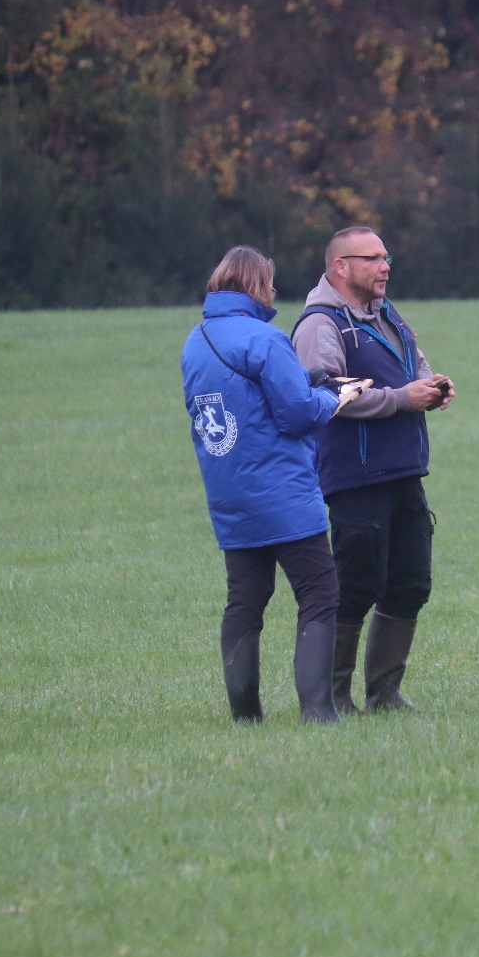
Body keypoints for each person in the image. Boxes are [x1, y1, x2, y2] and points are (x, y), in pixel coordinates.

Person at [182, 245, 363, 724]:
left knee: (245, 600)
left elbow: (240, 401)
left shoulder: (195, 341)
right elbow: (298, 414)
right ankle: (319, 712)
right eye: (270, 281)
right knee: (320, 593)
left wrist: (307, 380)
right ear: (257, 284)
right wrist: (333, 397)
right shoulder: (264, 338)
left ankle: (245, 717)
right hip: (282, 492)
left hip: (229, 494)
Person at [292, 226, 454, 713]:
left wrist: (431, 383)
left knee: (410, 582)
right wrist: (404, 399)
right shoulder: (320, 325)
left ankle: (384, 695)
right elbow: (326, 395)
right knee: (356, 586)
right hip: (356, 477)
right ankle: (335, 698)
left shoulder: (385, 314)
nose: (386, 267)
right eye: (373, 259)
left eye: (387, 257)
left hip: (404, 471)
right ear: (341, 267)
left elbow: (414, 362)